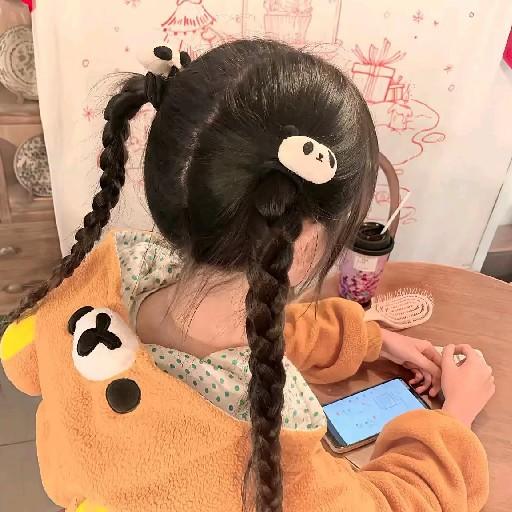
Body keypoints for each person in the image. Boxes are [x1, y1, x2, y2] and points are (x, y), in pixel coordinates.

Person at [0, 40, 494, 512]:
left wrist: (368, 339)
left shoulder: (101, 273)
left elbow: (25, 364)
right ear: (303, 240)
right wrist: (455, 420)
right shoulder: (269, 452)